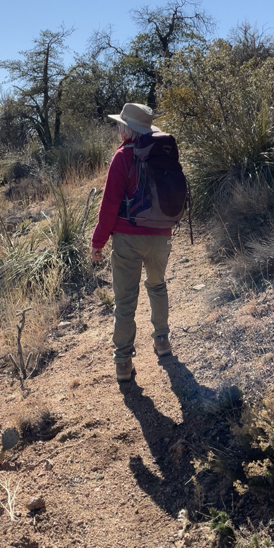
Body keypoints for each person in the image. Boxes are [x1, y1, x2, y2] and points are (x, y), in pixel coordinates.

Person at [89, 103, 174, 382]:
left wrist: (98, 243)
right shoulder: (164, 152)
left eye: (119, 125)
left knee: (125, 301)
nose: (117, 128)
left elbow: (110, 206)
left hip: (128, 238)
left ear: (127, 129)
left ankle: (123, 362)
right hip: (161, 236)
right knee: (157, 285)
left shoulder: (123, 157)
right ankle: (162, 341)